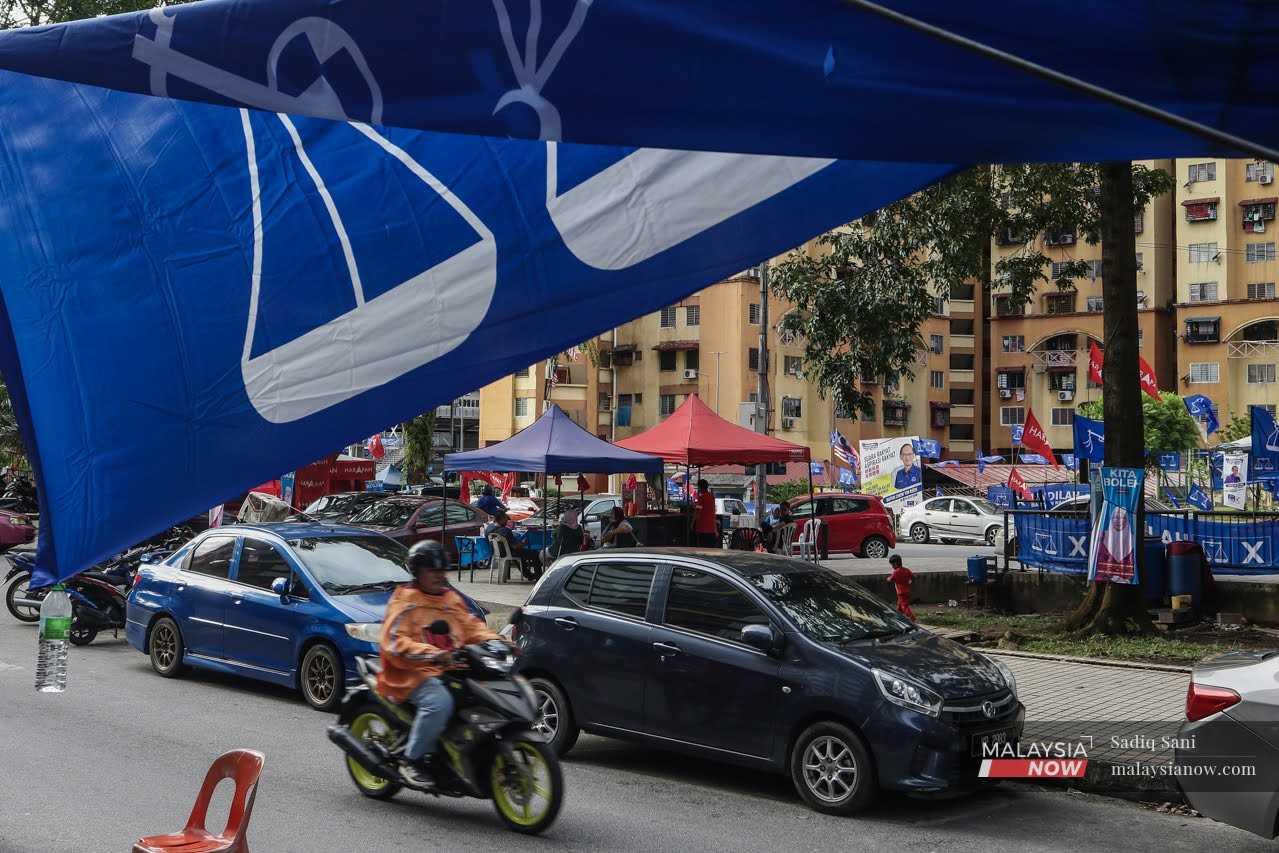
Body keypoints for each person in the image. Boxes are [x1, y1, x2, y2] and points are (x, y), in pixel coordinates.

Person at [376, 540, 504, 786]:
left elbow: (471, 626)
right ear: (418, 572)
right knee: (439, 703)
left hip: (451, 667)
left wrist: (498, 641)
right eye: (432, 571)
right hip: (412, 671)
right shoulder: (405, 600)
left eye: (442, 570)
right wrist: (431, 653)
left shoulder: (450, 599)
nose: (439, 576)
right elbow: (393, 642)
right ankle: (411, 760)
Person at [887, 554, 915, 621]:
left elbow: (890, 579)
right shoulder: (906, 570)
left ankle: (912, 618)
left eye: (892, 565)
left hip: (901, 592)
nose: (892, 566)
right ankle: (898, 617)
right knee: (899, 605)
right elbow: (913, 577)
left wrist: (888, 578)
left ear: (895, 564)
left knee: (904, 606)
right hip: (907, 591)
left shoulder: (896, 572)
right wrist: (909, 582)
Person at [693, 479, 719, 547]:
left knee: (702, 549)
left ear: (700, 487)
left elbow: (697, 512)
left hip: (702, 528)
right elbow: (713, 512)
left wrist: (692, 524)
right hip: (711, 528)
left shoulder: (701, 498)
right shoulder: (712, 497)